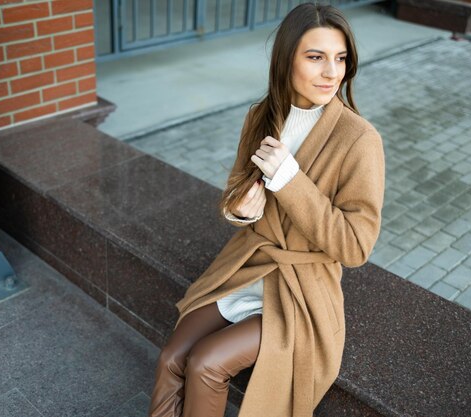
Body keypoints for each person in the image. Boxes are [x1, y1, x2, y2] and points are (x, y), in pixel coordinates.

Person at [148, 2, 385, 417]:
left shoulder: (359, 139)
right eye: (316, 57)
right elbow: (235, 199)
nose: (332, 72)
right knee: (172, 357)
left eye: (341, 58)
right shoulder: (260, 117)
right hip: (248, 266)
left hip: (302, 289)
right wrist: (241, 210)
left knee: (206, 363)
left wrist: (290, 181)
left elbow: (355, 247)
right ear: (286, 60)